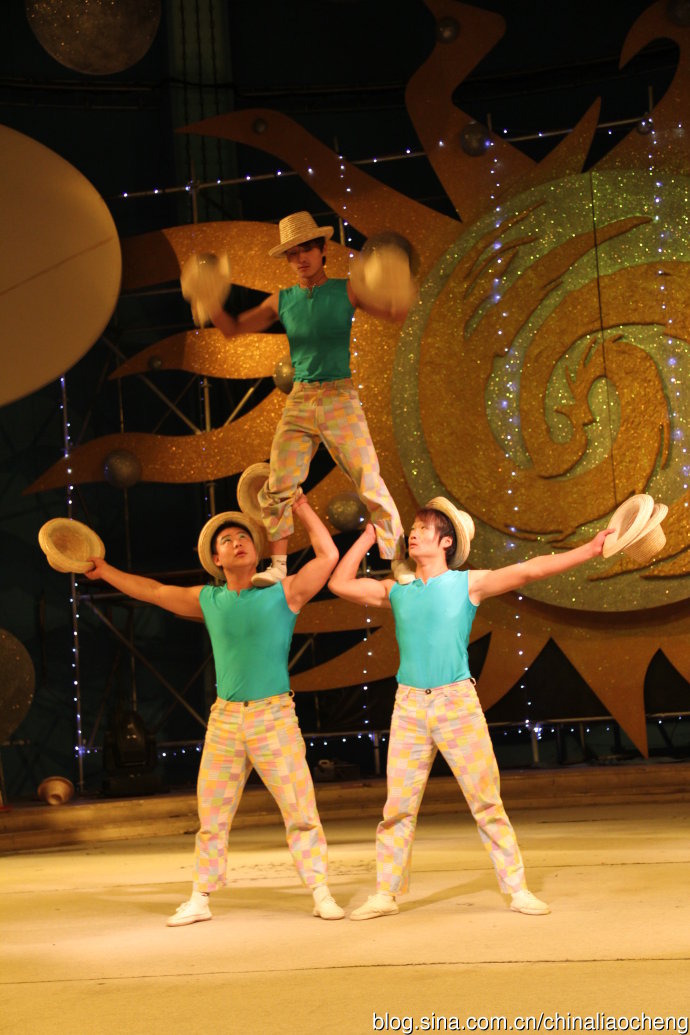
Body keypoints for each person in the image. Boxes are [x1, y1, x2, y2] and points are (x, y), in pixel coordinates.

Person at [328, 496, 613, 920]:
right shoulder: (397, 590)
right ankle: (386, 893)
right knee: (397, 808)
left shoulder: (467, 584)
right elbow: (339, 583)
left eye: (424, 528)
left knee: (486, 802)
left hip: (456, 702)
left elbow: (529, 570)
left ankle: (516, 889)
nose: (414, 534)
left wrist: (589, 550)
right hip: (408, 706)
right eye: (414, 528)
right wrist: (369, 535)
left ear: (446, 541)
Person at [85, 492, 345, 926]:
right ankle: (200, 897)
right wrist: (105, 570)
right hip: (225, 720)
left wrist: (299, 505)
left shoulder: (284, 593)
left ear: (257, 552)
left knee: (300, 810)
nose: (237, 542)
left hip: (274, 716)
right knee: (212, 815)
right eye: (227, 540)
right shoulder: (209, 599)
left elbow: (328, 556)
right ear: (216, 559)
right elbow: (152, 591)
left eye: (244, 537)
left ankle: (321, 891)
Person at [203, 210, 413, 588]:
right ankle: (278, 565)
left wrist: (400, 286)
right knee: (279, 482)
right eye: (293, 253)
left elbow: (395, 313)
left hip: (339, 397)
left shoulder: (347, 290)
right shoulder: (282, 300)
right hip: (300, 400)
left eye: (306, 250)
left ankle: (398, 559)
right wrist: (210, 301)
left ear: (322, 250)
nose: (300, 259)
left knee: (369, 479)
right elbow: (233, 329)